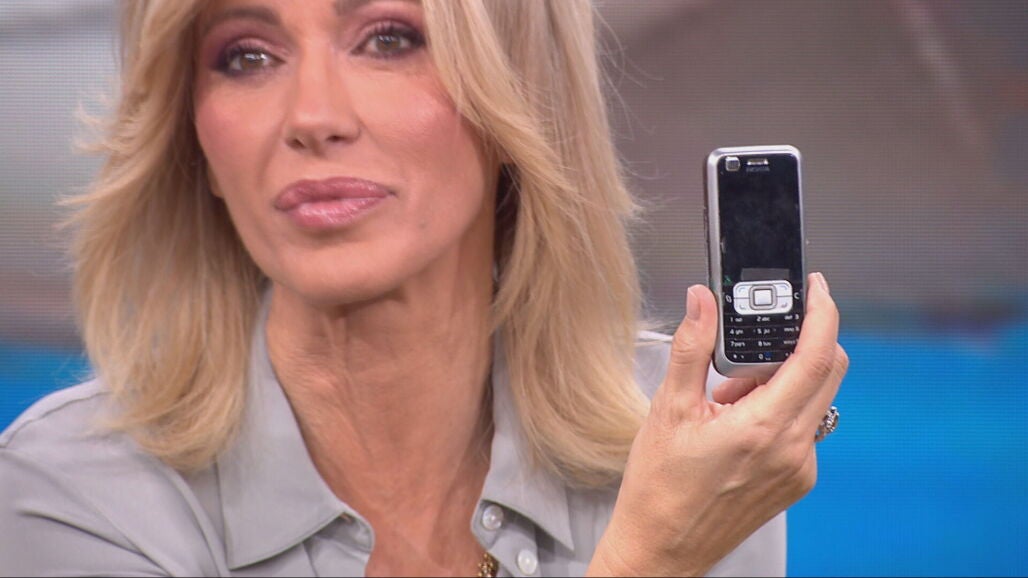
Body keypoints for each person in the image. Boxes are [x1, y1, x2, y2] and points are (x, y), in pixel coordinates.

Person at [0, 0, 848, 576]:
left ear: (519, 91)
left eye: (387, 39)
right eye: (247, 56)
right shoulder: (74, 494)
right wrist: (653, 559)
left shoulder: (689, 447)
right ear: (196, 139)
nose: (312, 116)